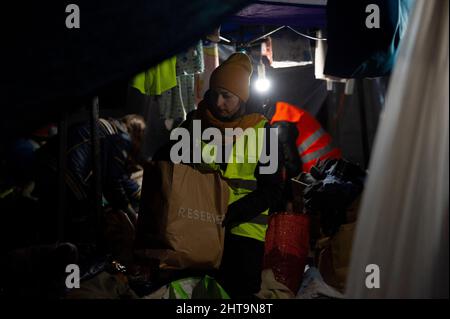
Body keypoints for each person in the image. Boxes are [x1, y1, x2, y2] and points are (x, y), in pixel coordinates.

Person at [155, 53, 284, 298]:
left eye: (227, 96)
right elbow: (164, 161)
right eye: (214, 94)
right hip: (197, 225)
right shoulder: (195, 123)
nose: (219, 102)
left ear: (242, 98)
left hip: (243, 234)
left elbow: (273, 190)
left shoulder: (263, 132)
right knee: (196, 293)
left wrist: (230, 213)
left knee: (237, 295)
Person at [34, 114, 146, 242]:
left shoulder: (105, 125)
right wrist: (133, 217)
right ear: (137, 134)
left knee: (46, 225)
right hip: (66, 173)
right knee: (78, 227)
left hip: (48, 163)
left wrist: (137, 192)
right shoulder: (120, 137)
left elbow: (118, 176)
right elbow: (112, 182)